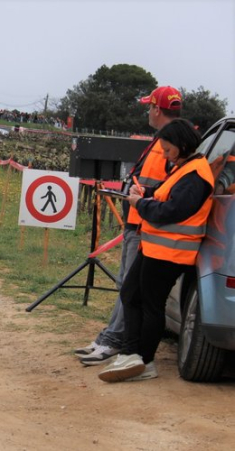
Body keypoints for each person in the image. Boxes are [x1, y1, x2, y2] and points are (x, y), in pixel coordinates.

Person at [98, 118, 214, 382]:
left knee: (150, 305)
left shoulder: (196, 175)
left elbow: (173, 210)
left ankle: (144, 360)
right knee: (131, 295)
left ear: (183, 145)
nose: (165, 155)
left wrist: (141, 204)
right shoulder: (185, 168)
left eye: (168, 150)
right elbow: (165, 194)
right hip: (156, 248)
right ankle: (132, 354)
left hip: (170, 253)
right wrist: (147, 192)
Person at [74, 86, 179, 365]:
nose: (147, 111)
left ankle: (114, 340)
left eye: (149, 106)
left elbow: (164, 189)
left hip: (146, 225)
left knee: (130, 288)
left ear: (157, 109)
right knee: (125, 283)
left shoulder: (169, 144)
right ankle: (111, 336)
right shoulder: (162, 142)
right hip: (138, 222)